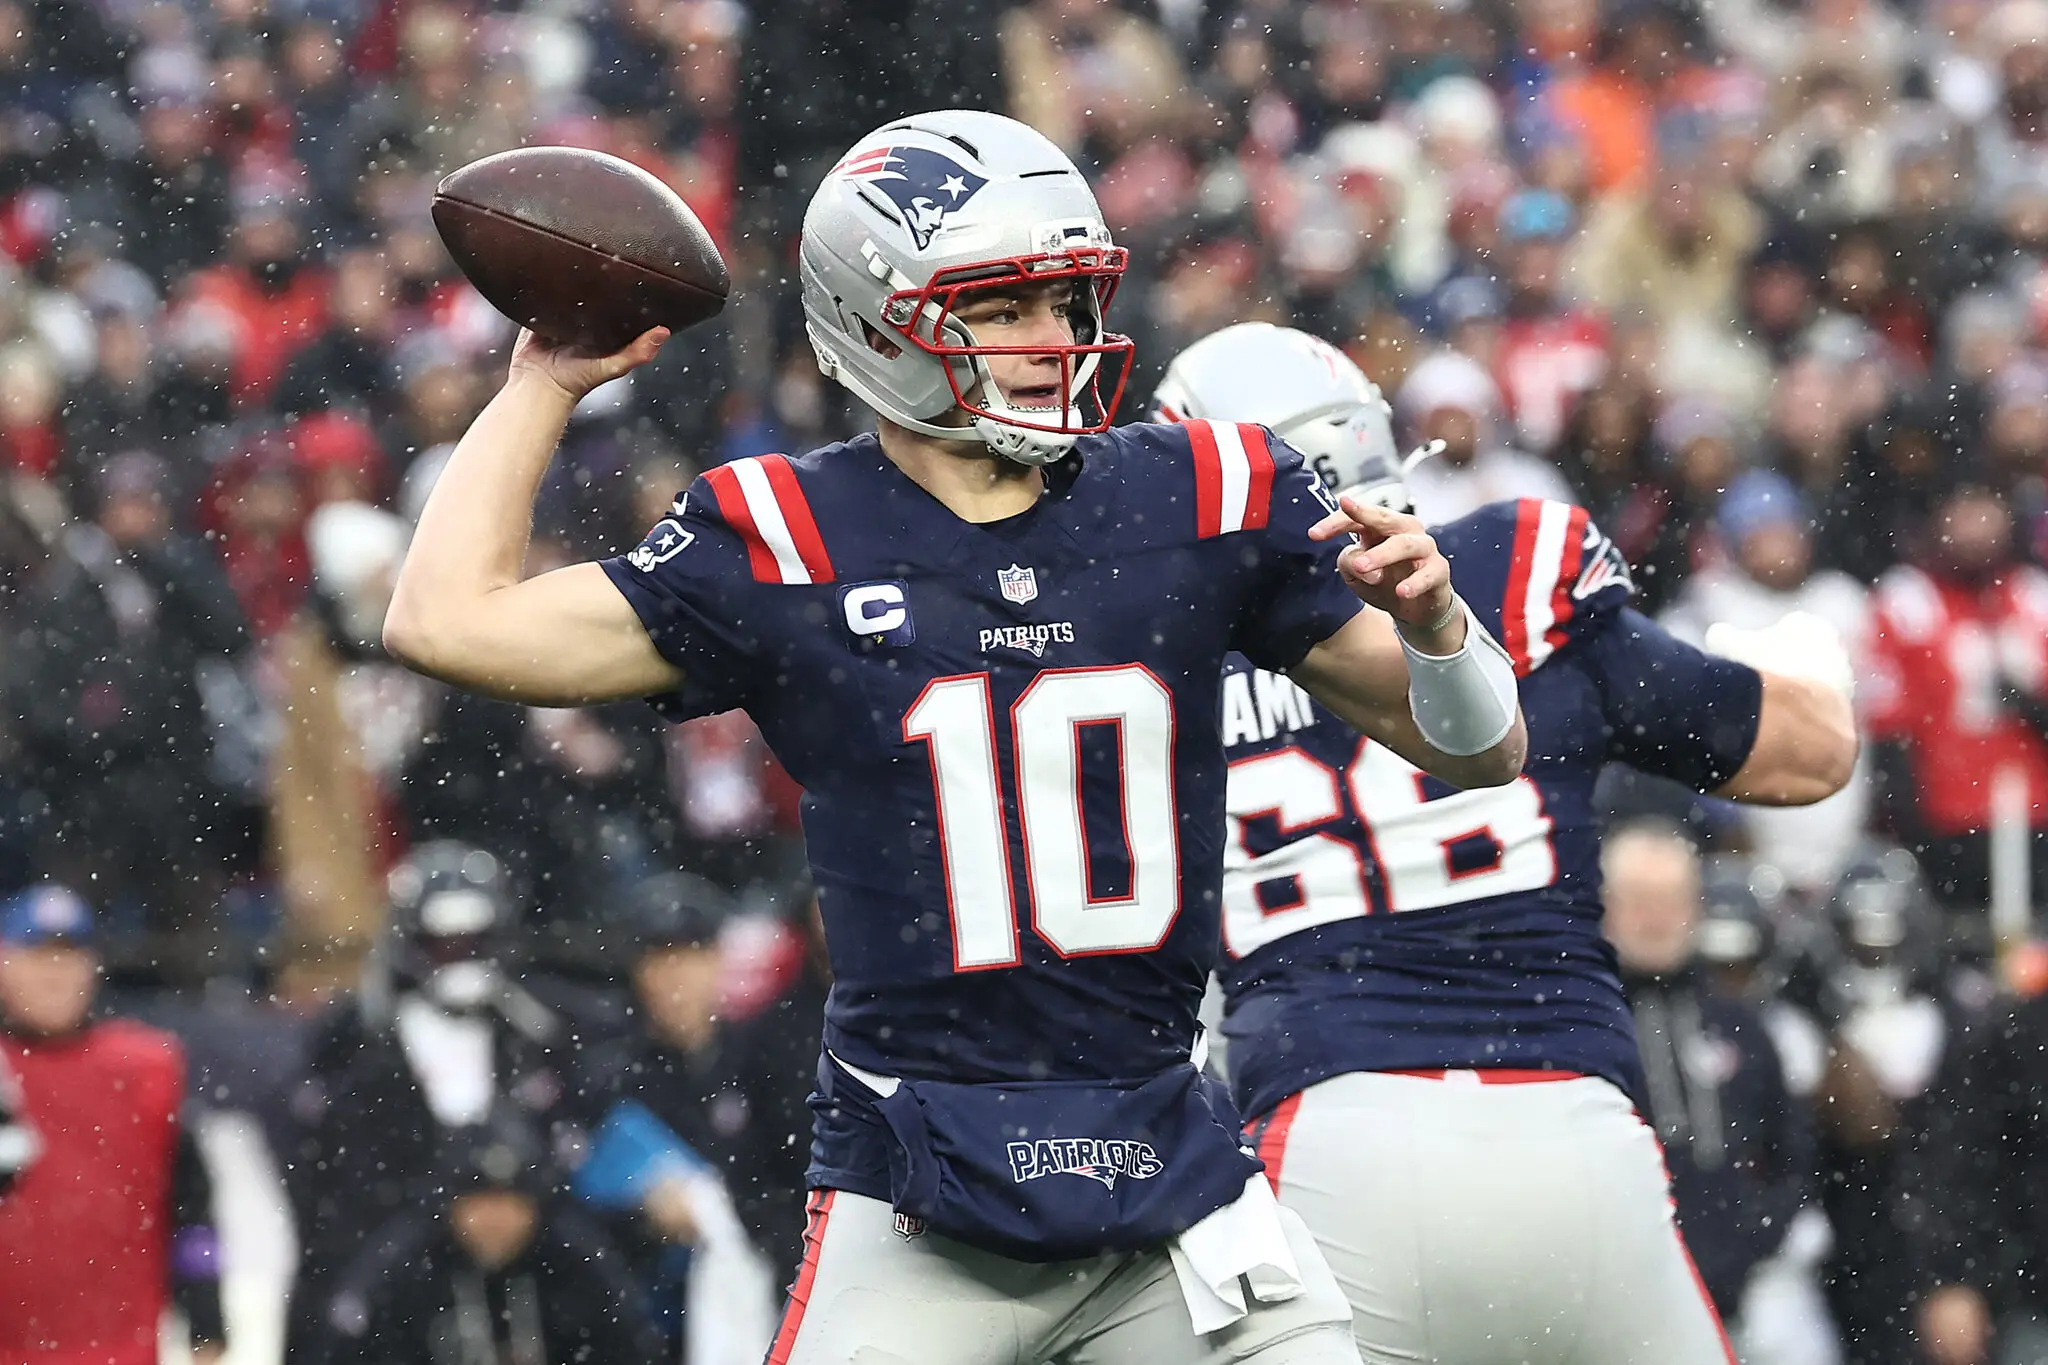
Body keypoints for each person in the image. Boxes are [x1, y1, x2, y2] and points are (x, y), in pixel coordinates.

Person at [382, 109, 1528, 1365]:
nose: (1055, 344)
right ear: (875, 319)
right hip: (917, 1197)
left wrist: (1434, 625)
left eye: (1067, 301)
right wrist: (542, 381)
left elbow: (1481, 751)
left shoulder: (1199, 490)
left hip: (1173, 1189)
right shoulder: (783, 532)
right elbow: (446, 621)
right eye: (1002, 308)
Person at [1150, 321, 1857, 1364]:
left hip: (1328, 1140)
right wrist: (1786, 665)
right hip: (1572, 1132)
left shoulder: (1162, 649)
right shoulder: (1511, 569)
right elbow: (1807, 757)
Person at [286, 841, 580, 1358]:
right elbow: (331, 1200)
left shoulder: (538, 1035)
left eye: (475, 941)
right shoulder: (356, 1048)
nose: (462, 958)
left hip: (517, 1289)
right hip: (393, 1289)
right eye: (445, 944)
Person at [1602, 824, 1825, 1365]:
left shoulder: (1742, 1024)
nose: (1655, 919)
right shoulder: (1585, 1026)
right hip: (1611, 1303)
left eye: (1670, 900)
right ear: (1603, 907)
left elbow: (1795, 1153)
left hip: (1743, 1297)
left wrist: (1753, 1238)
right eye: (1638, 902)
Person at [0, 885, 227, 1365]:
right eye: (37, 956)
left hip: (121, 1349)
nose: (54, 975)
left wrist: (207, 1320)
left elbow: (191, 1208)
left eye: (68, 956)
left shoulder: (145, 1069)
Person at [320, 1112, 666, 1365]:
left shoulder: (574, 1259)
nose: (495, 1220)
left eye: (511, 1202)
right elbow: (352, 1339)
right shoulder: (406, 1264)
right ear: (450, 1207)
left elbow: (628, 1340)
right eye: (479, 1203)